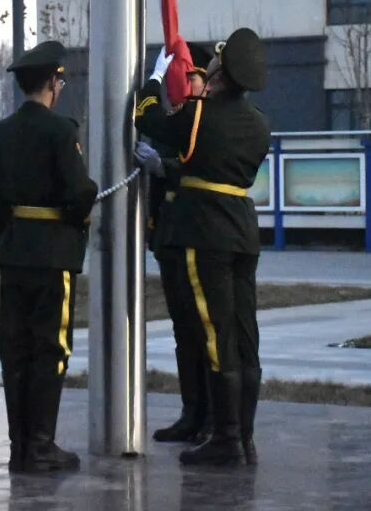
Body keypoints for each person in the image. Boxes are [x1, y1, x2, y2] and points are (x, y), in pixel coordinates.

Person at [134, 27, 271, 467]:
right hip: (242, 230)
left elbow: (147, 117)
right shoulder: (259, 123)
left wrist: (154, 80)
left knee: (216, 335)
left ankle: (226, 439)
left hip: (207, 231)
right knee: (245, 336)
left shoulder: (199, 116)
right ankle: (243, 437)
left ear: (220, 73)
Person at [0, 40, 98, 474]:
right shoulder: (61, 131)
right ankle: (41, 446)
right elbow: (78, 193)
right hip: (52, 255)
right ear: (53, 83)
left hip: (14, 254)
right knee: (51, 348)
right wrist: (82, 210)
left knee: (15, 350)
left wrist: (7, 243)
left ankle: (20, 448)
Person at [135, 42, 215, 444]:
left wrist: (163, 167)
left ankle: (214, 417)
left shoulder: (209, 119)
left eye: (186, 78)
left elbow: (199, 167)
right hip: (170, 235)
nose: (178, 86)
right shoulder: (175, 119)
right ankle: (192, 412)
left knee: (206, 331)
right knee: (184, 330)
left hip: (200, 234)